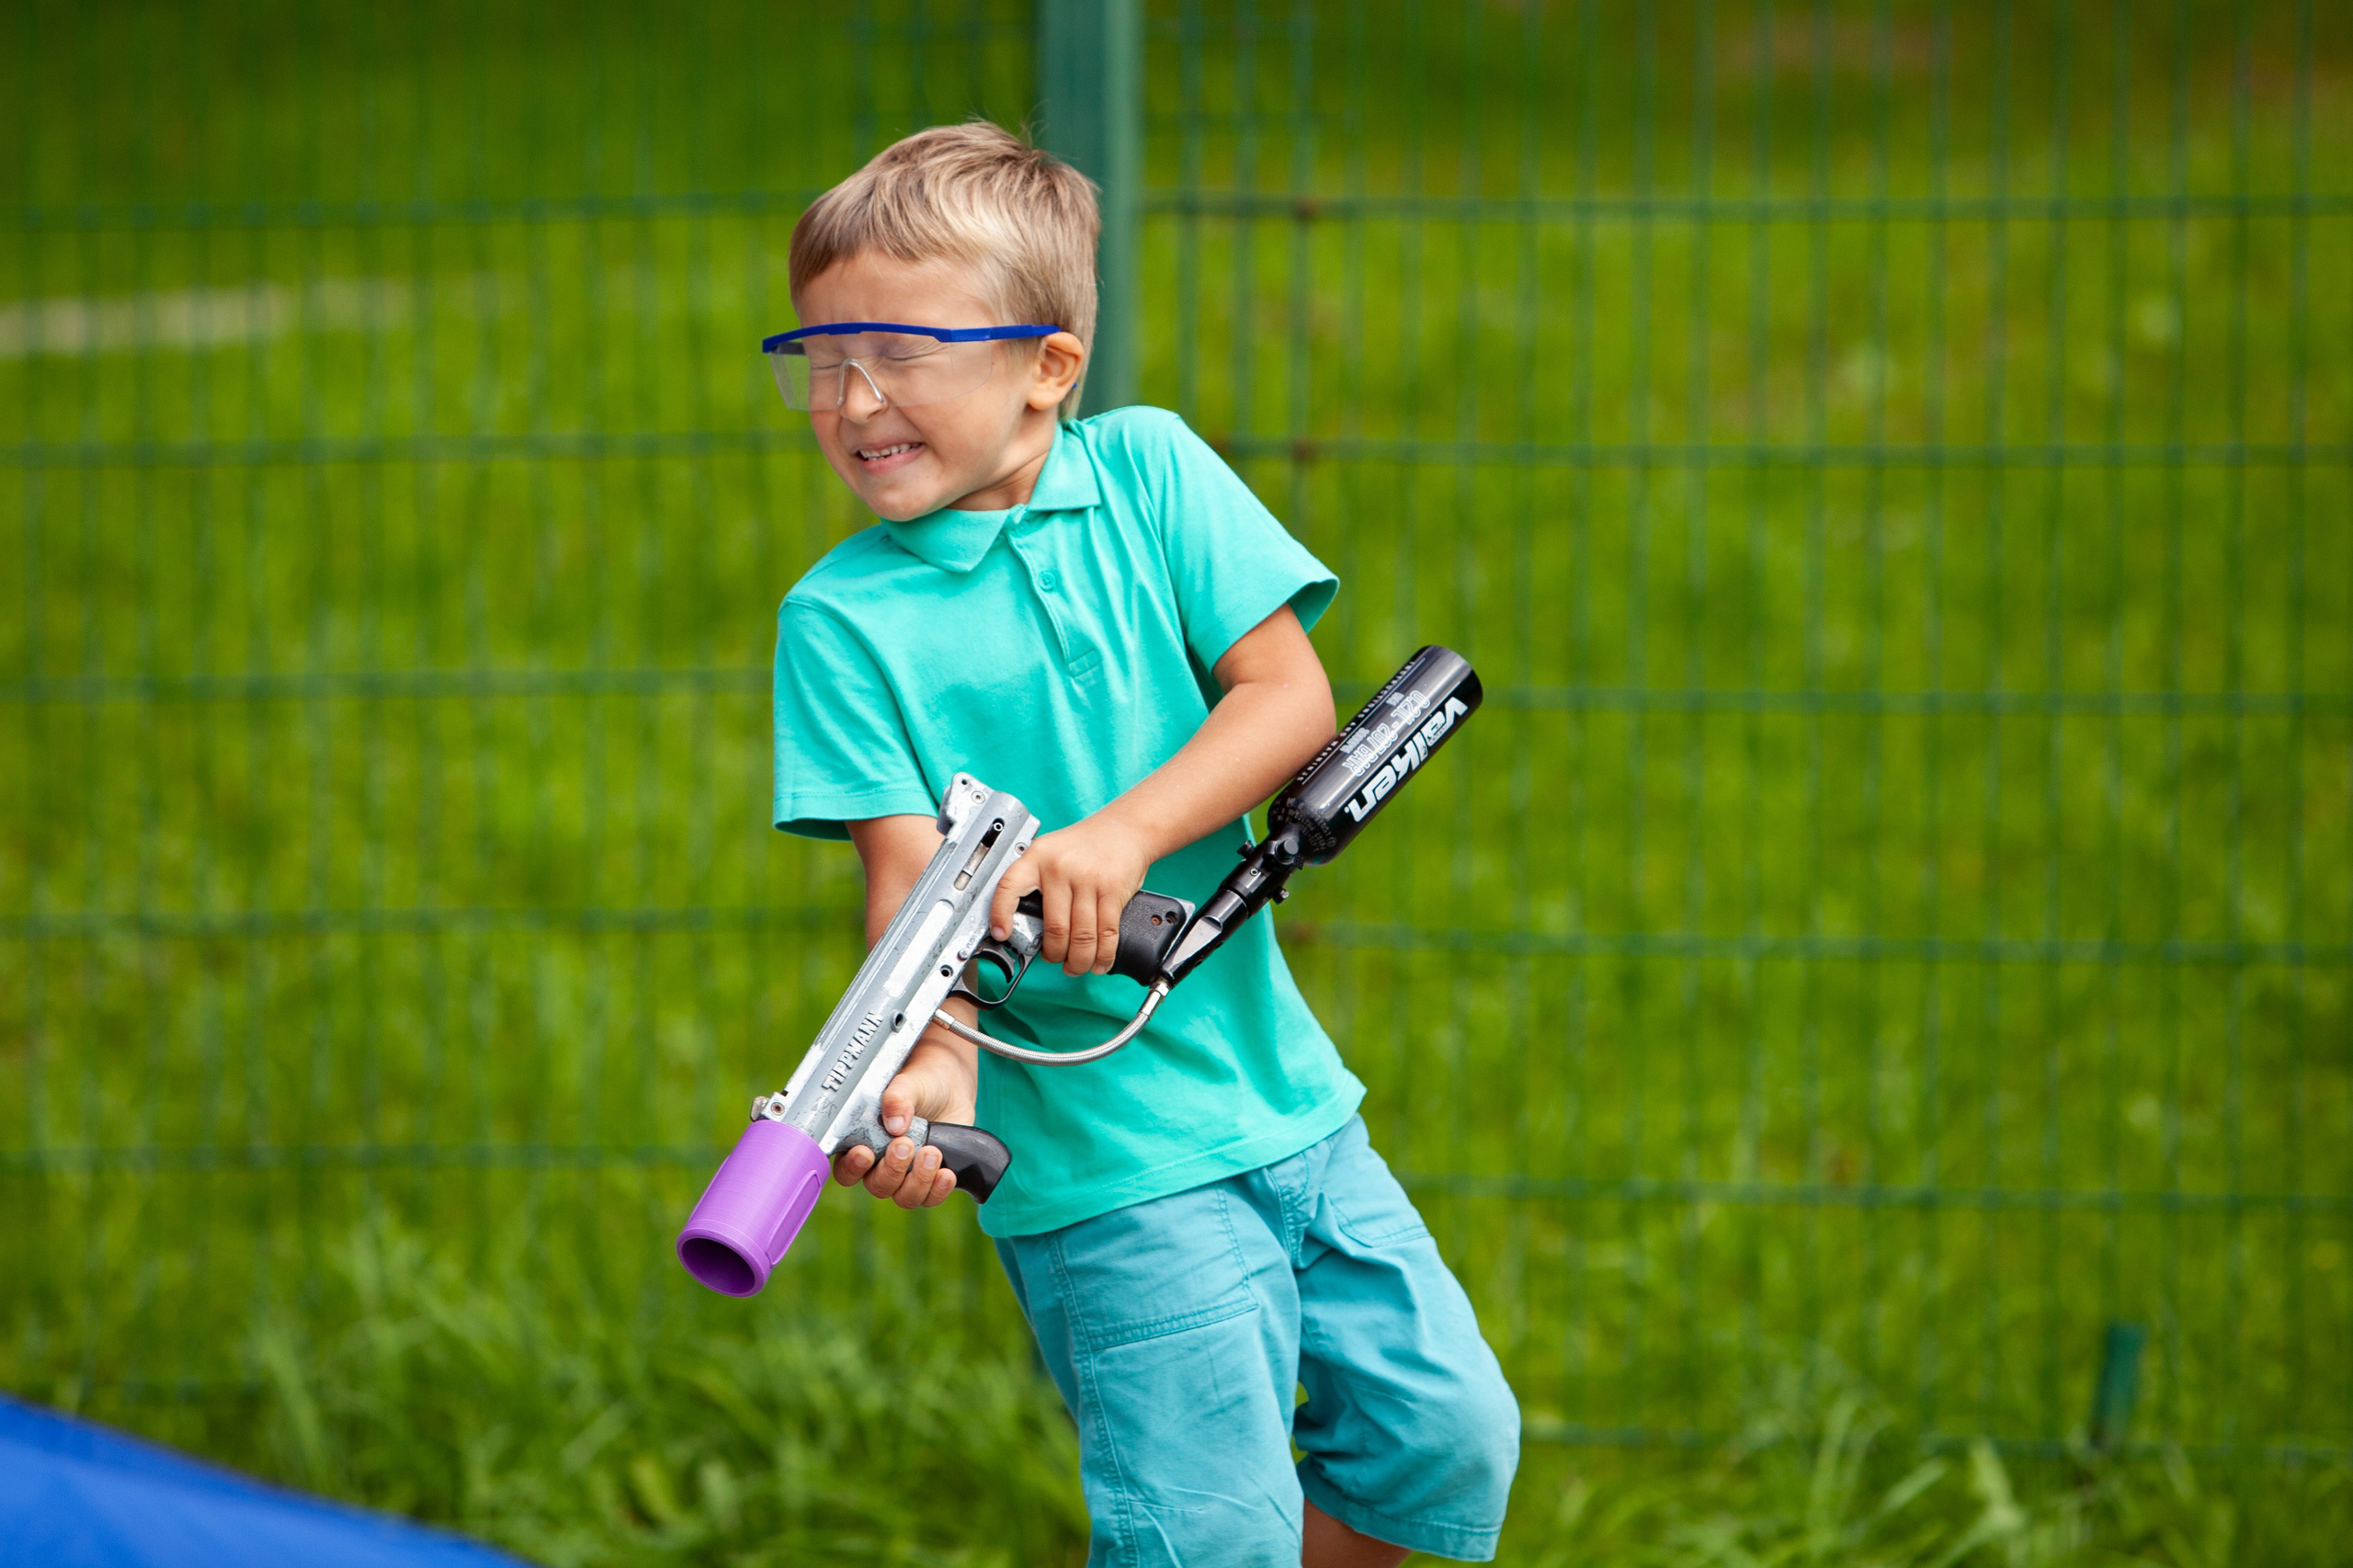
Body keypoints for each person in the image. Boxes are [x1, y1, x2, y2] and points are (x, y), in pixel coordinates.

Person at [766, 120, 1518, 1567]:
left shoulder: (1155, 476)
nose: (854, 402)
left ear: (1047, 367)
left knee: (1445, 1437)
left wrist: (1118, 839)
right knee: (1208, 1532)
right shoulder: (842, 624)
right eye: (819, 360)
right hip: (1110, 1176)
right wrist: (927, 1062)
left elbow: (1287, 697)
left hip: (1287, 1097)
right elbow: (910, 891)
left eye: (901, 353)